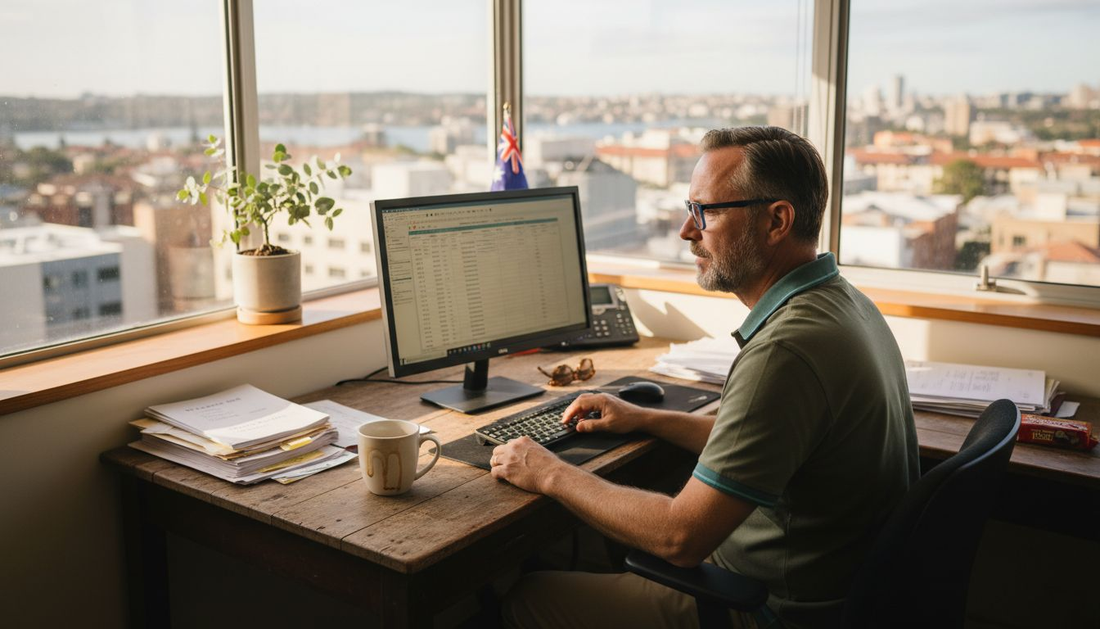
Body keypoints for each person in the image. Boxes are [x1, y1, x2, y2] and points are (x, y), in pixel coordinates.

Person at [490, 126, 919, 629]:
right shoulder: (844, 304)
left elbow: (680, 537)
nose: (686, 231)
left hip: (766, 609)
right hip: (835, 591)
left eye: (705, 212)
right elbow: (766, 441)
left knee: (529, 593)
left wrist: (549, 472)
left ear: (777, 220)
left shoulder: (784, 351)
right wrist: (646, 417)